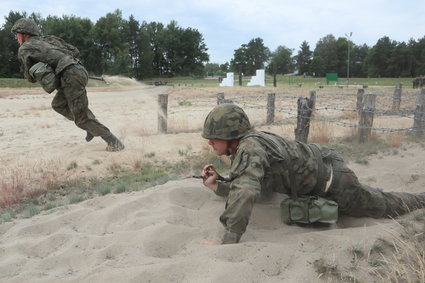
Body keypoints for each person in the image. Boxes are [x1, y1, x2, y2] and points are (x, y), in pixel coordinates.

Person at [201, 103, 425, 245]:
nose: (210, 142)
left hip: (335, 182)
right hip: (326, 167)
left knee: (382, 206)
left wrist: (227, 241)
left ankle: (421, 199)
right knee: (374, 197)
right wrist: (217, 185)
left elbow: (247, 191)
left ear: (232, 135)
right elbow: (251, 184)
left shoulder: (249, 148)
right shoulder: (250, 143)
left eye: (214, 137)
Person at [11, 18, 124, 152]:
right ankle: (90, 127)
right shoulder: (48, 39)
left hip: (70, 76)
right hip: (77, 70)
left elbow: (30, 78)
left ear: (24, 34)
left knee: (81, 118)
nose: (16, 37)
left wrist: (44, 69)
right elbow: (75, 51)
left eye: (16, 34)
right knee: (58, 105)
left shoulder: (24, 48)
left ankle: (114, 142)